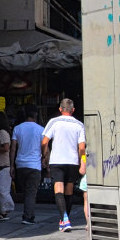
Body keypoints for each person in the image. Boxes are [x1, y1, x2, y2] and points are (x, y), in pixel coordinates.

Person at [41, 98, 86, 232]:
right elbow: (82, 147)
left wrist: (44, 155)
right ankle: (64, 220)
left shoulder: (54, 122)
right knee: (69, 191)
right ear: (73, 110)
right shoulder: (79, 125)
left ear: (60, 109)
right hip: (72, 161)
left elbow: (44, 142)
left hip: (57, 161)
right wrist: (82, 162)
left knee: (58, 190)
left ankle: (65, 219)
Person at [12, 105, 45, 224]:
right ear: (36, 115)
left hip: (20, 164)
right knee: (31, 192)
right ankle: (28, 216)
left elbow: (13, 148)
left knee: (26, 192)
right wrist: (45, 158)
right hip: (34, 165)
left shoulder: (17, 128)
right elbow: (44, 148)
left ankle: (29, 213)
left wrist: (12, 165)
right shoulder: (41, 129)